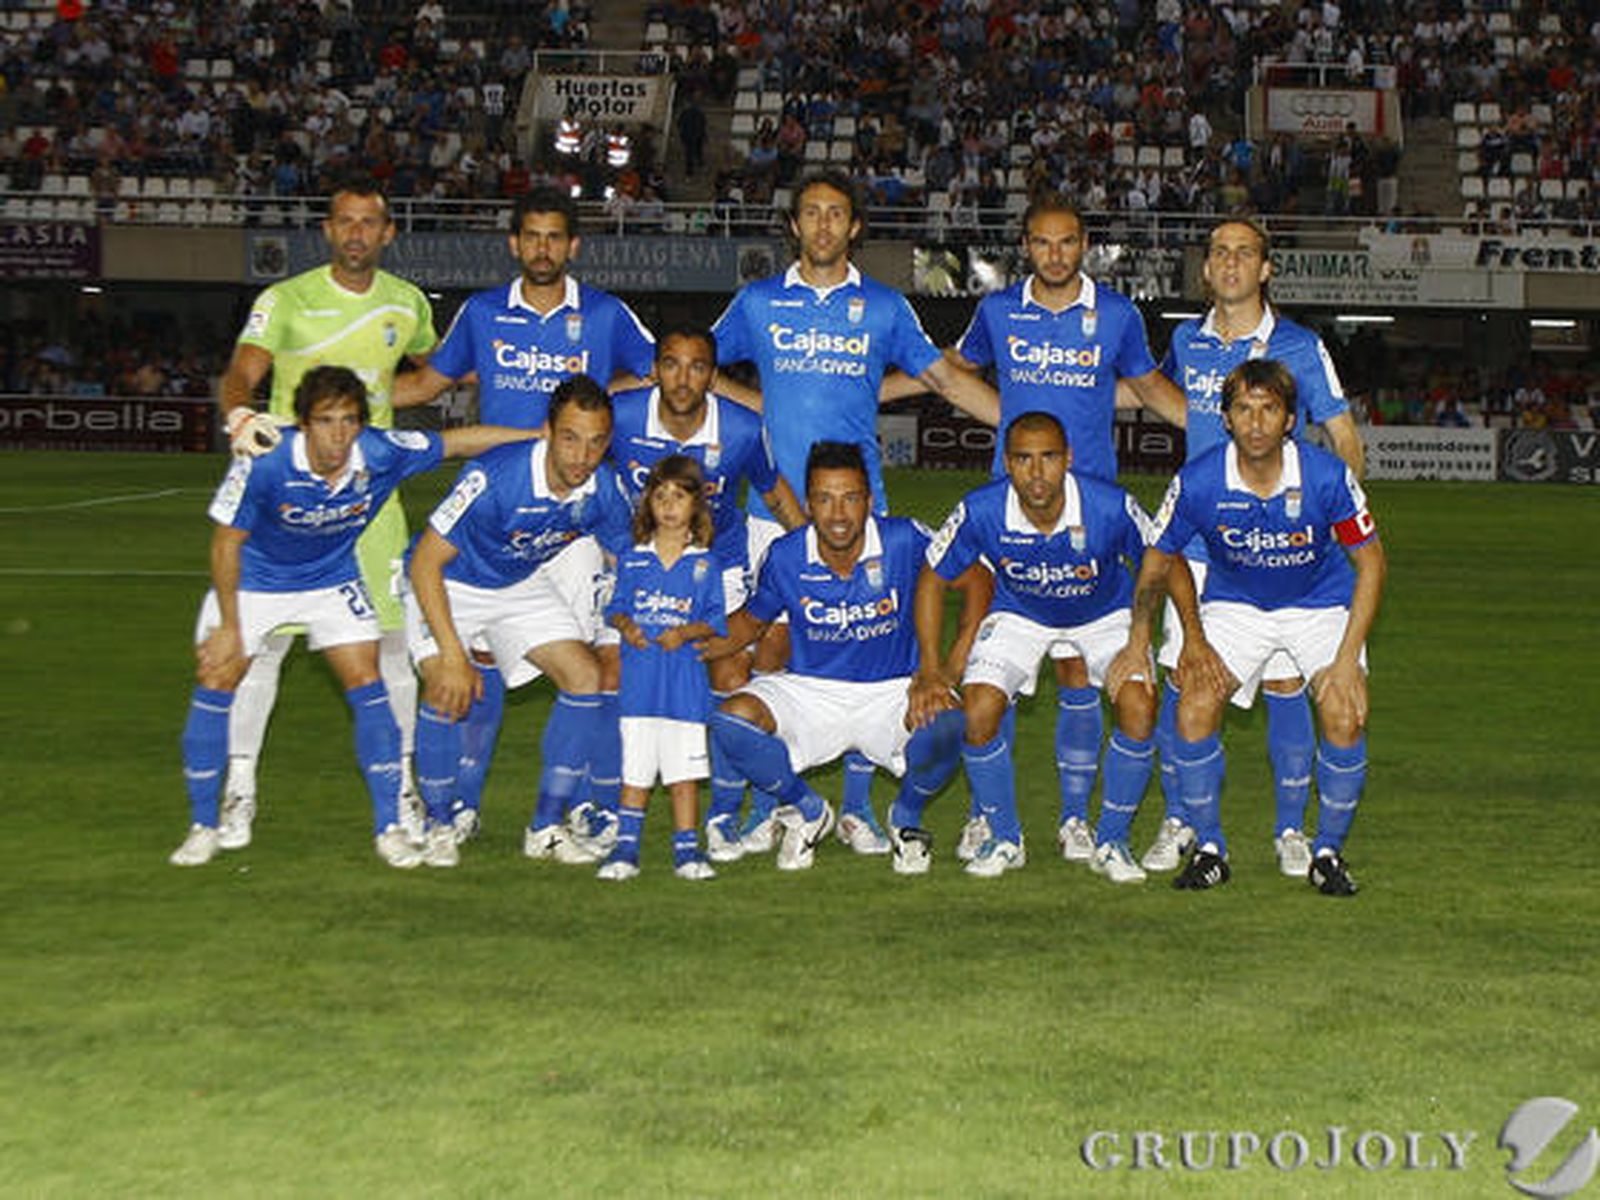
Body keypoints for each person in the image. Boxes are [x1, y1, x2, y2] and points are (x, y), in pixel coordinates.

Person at [884, 192, 1185, 863]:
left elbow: (1151, 389)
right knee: (997, 661)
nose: (1055, 255)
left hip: (1091, 505)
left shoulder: (1116, 315)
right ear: (1026, 245)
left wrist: (1223, 435)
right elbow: (952, 370)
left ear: (1085, 245)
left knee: (1078, 668)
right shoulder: (997, 311)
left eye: (1068, 242)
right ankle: (989, 818)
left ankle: (1076, 819)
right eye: (1042, 243)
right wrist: (875, 389)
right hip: (1008, 500)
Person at [710, 170, 1000, 851]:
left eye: (835, 214)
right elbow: (694, 366)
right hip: (771, 504)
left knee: (867, 653)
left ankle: (859, 809)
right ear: (793, 225)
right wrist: (754, 410)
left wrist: (1019, 433)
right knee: (767, 653)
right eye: (810, 213)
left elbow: (941, 377)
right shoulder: (757, 304)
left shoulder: (883, 307)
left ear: (855, 227)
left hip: (858, 509)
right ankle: (776, 802)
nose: (822, 225)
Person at [169, 367, 537, 869]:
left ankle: (389, 826)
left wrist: (540, 435)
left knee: (368, 682)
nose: (338, 434)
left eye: (348, 421)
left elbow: (457, 443)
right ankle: (202, 824)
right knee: (216, 675)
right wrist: (231, 626)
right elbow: (225, 545)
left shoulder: (382, 452)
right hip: (256, 583)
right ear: (302, 422)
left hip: (329, 581)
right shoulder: (267, 458)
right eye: (325, 421)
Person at [393, 186, 656, 843]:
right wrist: (343, 405)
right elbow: (429, 385)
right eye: (530, 236)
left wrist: (598, 400)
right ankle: (456, 808)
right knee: (473, 671)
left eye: (554, 237)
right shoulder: (483, 313)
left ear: (573, 246)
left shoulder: (604, 313)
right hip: (495, 508)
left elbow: (658, 374)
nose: (542, 248)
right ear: (515, 244)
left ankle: (575, 807)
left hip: (574, 522)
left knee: (598, 664)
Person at [1138, 218, 1367, 879]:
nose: (1231, 263)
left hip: (1279, 544)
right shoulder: (1188, 339)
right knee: (1183, 683)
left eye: (1245, 253)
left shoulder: (1299, 345)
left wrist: (1329, 518)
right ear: (1206, 269)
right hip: (1205, 542)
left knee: (1287, 680)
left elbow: (1341, 432)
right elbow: (1179, 405)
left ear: (1266, 269)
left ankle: (1292, 830)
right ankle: (1185, 817)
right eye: (1219, 253)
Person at [215, 176, 437, 853]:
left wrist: (387, 410)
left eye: (369, 221)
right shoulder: (287, 298)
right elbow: (241, 372)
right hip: (289, 505)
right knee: (259, 655)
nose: (357, 232)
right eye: (345, 221)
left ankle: (401, 794)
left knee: (396, 656)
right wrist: (241, 415)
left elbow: (434, 372)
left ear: (388, 232)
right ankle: (238, 795)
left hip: (370, 507)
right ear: (328, 230)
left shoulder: (408, 303)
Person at [1109, 360, 1386, 894]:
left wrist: (1349, 658)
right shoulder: (1199, 479)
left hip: (1318, 604)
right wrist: (1145, 642)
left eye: (1269, 409)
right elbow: (1159, 558)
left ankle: (1327, 851)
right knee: (1193, 703)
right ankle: (1211, 847)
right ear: (1226, 418)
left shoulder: (1326, 475)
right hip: (1234, 605)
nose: (1256, 422)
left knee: (1345, 713)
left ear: (1289, 420)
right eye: (1243, 409)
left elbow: (1371, 562)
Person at [706, 442, 973, 875]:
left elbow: (975, 579)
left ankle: (905, 820)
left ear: (869, 501)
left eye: (850, 498)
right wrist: (680, 642)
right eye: (825, 499)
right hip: (812, 691)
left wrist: (944, 670)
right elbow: (749, 624)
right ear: (808, 504)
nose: (838, 514)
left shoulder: (905, 537)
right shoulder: (785, 554)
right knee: (730, 719)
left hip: (891, 692)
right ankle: (809, 810)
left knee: (949, 723)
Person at [914, 412, 1157, 880]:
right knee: (979, 711)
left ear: (1067, 459)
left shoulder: (1107, 505)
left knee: (1139, 704)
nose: (1037, 472)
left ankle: (1111, 841)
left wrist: (1141, 636)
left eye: (1048, 458)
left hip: (1103, 614)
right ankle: (1006, 838)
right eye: (1024, 459)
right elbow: (932, 577)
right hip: (1019, 613)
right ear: (1007, 462)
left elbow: (1161, 560)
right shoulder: (981, 509)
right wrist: (930, 666)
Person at [406, 376, 635, 867]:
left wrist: (624, 628)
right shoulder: (495, 476)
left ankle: (546, 827)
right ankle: (441, 820)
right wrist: (450, 653)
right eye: (570, 438)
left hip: (517, 584)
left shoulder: (603, 487)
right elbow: (425, 561)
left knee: (586, 676)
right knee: (447, 688)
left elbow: (625, 558)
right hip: (449, 582)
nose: (582, 456)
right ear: (547, 431)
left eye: (596, 442)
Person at [609, 326, 806, 861]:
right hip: (641, 563)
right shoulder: (622, 415)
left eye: (697, 367)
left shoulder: (741, 427)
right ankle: (607, 807)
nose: (683, 378)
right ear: (654, 368)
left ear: (712, 375)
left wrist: (812, 551)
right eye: (671, 364)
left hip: (716, 565)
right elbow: (584, 469)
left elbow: (774, 490)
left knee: (727, 672)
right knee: (620, 670)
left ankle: (721, 812)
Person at [599, 456, 727, 881]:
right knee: (635, 771)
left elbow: (715, 619)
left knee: (683, 776)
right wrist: (627, 626)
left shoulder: (705, 562)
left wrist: (686, 632)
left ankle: (687, 854)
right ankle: (624, 852)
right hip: (639, 688)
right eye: (660, 496)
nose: (669, 506)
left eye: (679, 496)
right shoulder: (633, 559)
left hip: (685, 691)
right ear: (648, 504)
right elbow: (614, 608)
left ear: (696, 504)